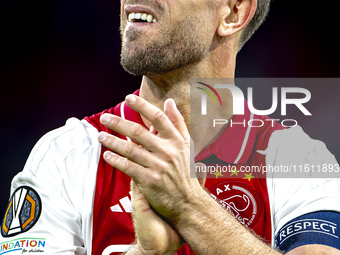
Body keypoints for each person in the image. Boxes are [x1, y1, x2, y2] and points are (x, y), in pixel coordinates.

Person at [0, 0, 339, 255]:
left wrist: (190, 209)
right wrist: (145, 252)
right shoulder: (66, 155)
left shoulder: (300, 160)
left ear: (233, 13)